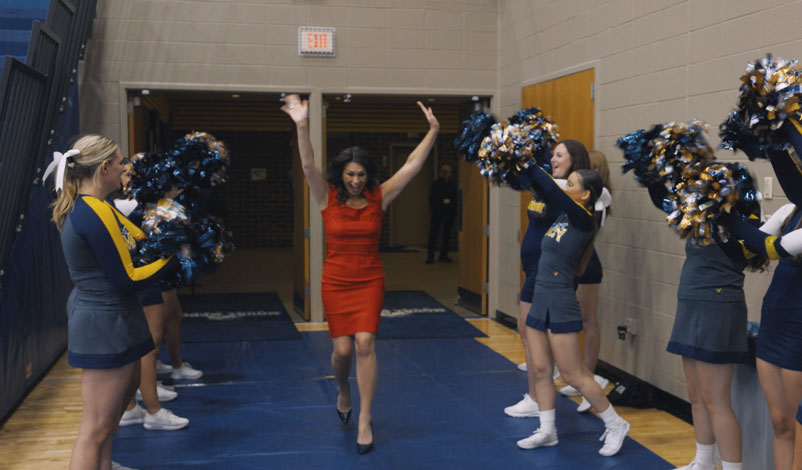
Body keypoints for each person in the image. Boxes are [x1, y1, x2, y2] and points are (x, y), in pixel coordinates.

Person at [282, 93, 438, 454]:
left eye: (361, 174)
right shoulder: (327, 198)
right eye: (350, 174)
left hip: (369, 279)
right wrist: (302, 125)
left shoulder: (378, 198)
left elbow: (412, 165)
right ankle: (342, 388)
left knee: (365, 343)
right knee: (342, 352)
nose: (355, 180)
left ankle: (365, 418)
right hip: (335, 281)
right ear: (342, 174)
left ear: (369, 176)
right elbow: (307, 167)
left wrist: (432, 131)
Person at [47, 135, 177, 469]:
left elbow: (139, 246)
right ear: (104, 167)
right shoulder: (91, 212)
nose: (125, 167)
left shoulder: (102, 207)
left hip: (120, 317)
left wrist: (169, 231)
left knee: (107, 426)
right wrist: (174, 257)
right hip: (104, 323)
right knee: (95, 429)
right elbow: (127, 277)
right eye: (120, 162)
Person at [514, 149, 630, 457]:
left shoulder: (582, 218)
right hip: (540, 295)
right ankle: (547, 430)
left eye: (572, 183)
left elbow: (551, 186)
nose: (565, 185)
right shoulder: (563, 213)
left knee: (572, 374)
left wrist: (529, 161)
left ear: (585, 194)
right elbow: (542, 187)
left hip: (561, 300)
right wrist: (518, 166)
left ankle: (615, 423)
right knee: (540, 369)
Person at [648, 180, 768, 470]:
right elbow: (662, 198)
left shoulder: (740, 226)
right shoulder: (700, 216)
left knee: (717, 401)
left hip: (718, 308)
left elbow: (737, 248)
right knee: (696, 394)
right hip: (690, 302)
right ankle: (702, 462)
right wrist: (652, 167)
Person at [504, 141, 590, 419]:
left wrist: (529, 162)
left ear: (574, 160)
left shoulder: (565, 192)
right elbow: (518, 178)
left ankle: (536, 396)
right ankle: (538, 397)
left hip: (547, 272)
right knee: (527, 334)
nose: (552, 159)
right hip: (532, 268)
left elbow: (551, 189)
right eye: (552, 154)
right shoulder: (547, 185)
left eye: (559, 155)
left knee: (534, 337)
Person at [113, 162, 189, 431]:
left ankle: (136, 405)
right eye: (124, 172)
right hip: (140, 277)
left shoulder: (138, 205)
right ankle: (151, 410)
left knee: (149, 342)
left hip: (149, 276)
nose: (127, 176)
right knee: (147, 344)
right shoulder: (121, 207)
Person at [560, 150, 612, 412]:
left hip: (588, 264)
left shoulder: (600, 202)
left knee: (588, 320)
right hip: (579, 262)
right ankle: (580, 373)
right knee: (580, 320)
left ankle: (590, 375)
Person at [426, 164, 457, 263]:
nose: (445, 174)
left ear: (450, 173)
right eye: (443, 172)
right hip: (437, 212)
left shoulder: (453, 185)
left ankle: (443, 255)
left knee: (446, 235)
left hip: (448, 213)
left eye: (447, 172)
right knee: (434, 233)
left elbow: (455, 199)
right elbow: (431, 198)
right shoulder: (436, 184)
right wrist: (434, 209)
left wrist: (453, 211)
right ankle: (430, 256)